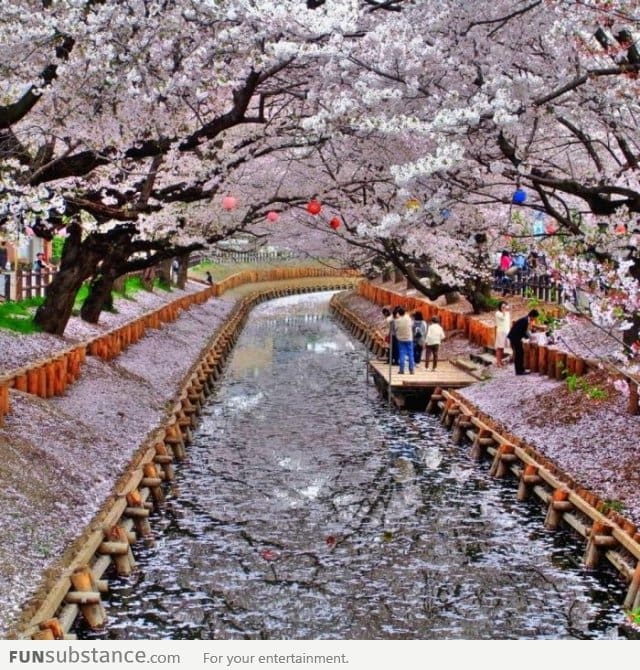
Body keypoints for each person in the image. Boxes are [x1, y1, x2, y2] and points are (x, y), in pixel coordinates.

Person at [507, 309, 539, 375]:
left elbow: (525, 331)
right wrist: (530, 338)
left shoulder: (526, 320)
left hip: (516, 337)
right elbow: (524, 332)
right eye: (535, 317)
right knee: (519, 354)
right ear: (532, 316)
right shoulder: (525, 320)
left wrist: (530, 337)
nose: (535, 319)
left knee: (520, 353)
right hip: (515, 338)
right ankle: (519, 371)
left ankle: (521, 369)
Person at [393, 306, 414, 374]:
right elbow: (412, 325)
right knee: (410, 354)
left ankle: (401, 370)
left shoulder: (397, 320)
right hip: (409, 338)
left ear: (398, 313)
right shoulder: (408, 319)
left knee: (402, 354)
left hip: (400, 339)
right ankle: (411, 370)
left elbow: (395, 329)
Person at [494, 301, 511, 368]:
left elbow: (507, 322)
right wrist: (504, 310)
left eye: (505, 306)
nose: (504, 308)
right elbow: (503, 318)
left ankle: (500, 361)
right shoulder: (498, 313)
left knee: (502, 347)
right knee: (499, 347)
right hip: (501, 332)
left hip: (506, 331)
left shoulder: (507, 313)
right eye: (502, 306)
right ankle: (498, 362)